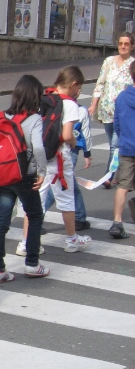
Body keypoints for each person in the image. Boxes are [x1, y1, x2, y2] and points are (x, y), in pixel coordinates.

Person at [22, 66, 92, 253]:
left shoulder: (44, 98)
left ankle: (26, 242)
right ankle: (72, 240)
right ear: (73, 84)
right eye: (79, 88)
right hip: (58, 157)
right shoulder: (70, 104)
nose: (78, 92)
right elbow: (67, 135)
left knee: (35, 200)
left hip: (38, 156)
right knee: (66, 200)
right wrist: (74, 141)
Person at [0, 76, 49, 284]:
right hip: (24, 176)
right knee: (35, 216)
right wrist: (42, 171)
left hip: (3, 175)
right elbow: (38, 147)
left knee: (2, 220)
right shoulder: (34, 119)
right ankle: (32, 263)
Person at [89, 32, 135, 187]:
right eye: (121, 43)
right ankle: (121, 171)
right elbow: (100, 84)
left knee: (115, 145)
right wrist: (94, 104)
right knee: (113, 145)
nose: (123, 46)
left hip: (123, 112)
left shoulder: (133, 64)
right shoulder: (109, 61)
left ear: (132, 47)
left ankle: (108, 176)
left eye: (126, 44)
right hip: (106, 111)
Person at [40, 99, 92, 232]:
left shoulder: (50, 105)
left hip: (47, 149)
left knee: (70, 185)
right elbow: (81, 133)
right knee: (59, 188)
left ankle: (80, 216)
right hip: (67, 151)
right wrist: (87, 152)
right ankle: (39, 218)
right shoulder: (78, 108)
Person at [109, 60, 135, 239]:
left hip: (127, 146)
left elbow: (116, 124)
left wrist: (124, 137)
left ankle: (117, 222)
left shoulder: (122, 97)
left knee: (123, 186)